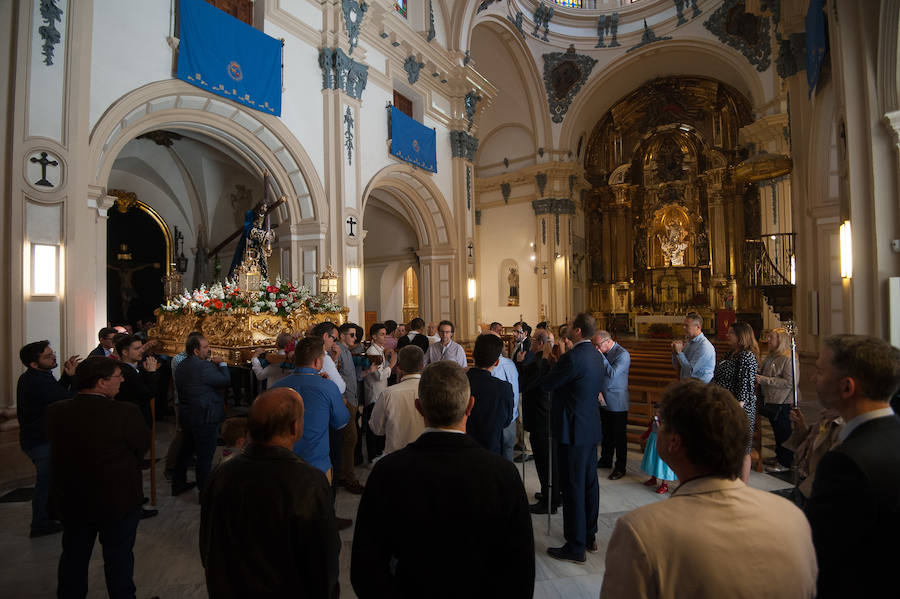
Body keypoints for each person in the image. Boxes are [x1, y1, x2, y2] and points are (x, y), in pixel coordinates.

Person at [600, 380, 817, 598]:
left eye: (660, 422)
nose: (657, 424)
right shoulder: (792, 517)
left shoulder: (640, 531)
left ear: (673, 442)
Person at [350, 361, 534, 598]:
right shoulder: (503, 473)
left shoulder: (388, 471)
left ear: (419, 407)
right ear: (470, 406)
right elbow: (521, 570)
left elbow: (366, 567)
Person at [200, 388, 340, 599]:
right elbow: (323, 562)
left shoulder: (220, 473)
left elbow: (208, 547)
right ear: (295, 427)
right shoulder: (309, 482)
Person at [46, 357, 151, 599]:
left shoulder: (55, 411)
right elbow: (141, 446)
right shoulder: (125, 411)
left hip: (72, 498)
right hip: (117, 498)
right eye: (118, 376)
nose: (122, 380)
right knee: (119, 560)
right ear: (101, 383)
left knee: (73, 558)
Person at [805, 335, 900, 599]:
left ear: (847, 387)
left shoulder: (845, 463)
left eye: (820, 370)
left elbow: (818, 553)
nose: (813, 378)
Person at [540, 312, 606, 563]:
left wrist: (546, 360)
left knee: (573, 486)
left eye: (570, 327)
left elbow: (548, 384)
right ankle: (589, 535)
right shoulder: (596, 355)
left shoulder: (574, 358)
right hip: (589, 427)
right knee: (589, 483)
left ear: (577, 331)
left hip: (572, 429)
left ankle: (576, 546)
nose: (566, 330)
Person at [16, 341, 77, 537]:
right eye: (47, 356)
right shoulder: (37, 381)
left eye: (52, 353)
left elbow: (55, 395)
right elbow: (68, 400)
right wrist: (74, 380)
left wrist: (67, 377)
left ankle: (50, 515)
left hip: (39, 437)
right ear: (34, 364)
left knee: (50, 480)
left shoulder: (38, 376)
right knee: (45, 482)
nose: (54, 357)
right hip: (40, 439)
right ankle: (40, 523)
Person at [271, 337, 350, 481]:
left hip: (281, 462)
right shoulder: (328, 386)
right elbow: (341, 422)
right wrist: (339, 401)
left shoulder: (275, 387)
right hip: (315, 464)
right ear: (317, 361)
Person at [172, 334, 231, 494]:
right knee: (204, 457)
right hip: (205, 416)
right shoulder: (204, 367)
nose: (209, 349)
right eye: (205, 347)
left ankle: (178, 484)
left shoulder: (182, 364)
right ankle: (204, 492)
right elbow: (225, 380)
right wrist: (223, 364)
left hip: (188, 416)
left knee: (185, 451)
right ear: (196, 351)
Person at [517, 330, 560, 514]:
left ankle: (549, 502)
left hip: (540, 418)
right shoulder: (550, 361)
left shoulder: (541, 364)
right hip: (546, 417)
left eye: (534, 339)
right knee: (548, 460)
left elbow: (524, 384)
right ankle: (551, 494)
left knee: (545, 462)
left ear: (541, 343)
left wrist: (519, 364)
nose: (532, 342)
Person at [711, 321, 759, 483]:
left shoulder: (746, 356)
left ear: (741, 336)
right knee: (726, 446)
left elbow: (745, 388)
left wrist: (734, 410)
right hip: (724, 406)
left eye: (731, 332)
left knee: (742, 449)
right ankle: (728, 481)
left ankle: (742, 487)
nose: (727, 334)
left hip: (738, 410)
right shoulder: (731, 353)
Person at [368, 345, 426, 455]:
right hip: (426, 457)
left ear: (399, 367)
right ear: (422, 366)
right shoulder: (432, 391)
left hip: (396, 458)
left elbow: (376, 428)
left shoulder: (388, 394)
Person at [465, 334, 514, 455]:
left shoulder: (458, 382)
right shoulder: (504, 388)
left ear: (473, 355)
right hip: (492, 450)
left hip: (463, 451)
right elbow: (507, 421)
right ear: (497, 362)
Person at [593, 330, 631, 480]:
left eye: (597, 345)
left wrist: (600, 356)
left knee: (619, 436)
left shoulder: (623, 354)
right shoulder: (602, 351)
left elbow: (613, 373)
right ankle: (606, 459)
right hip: (602, 397)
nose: (595, 348)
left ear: (607, 341)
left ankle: (620, 467)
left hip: (617, 400)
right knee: (606, 432)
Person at [756, 327, 795, 473]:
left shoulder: (788, 358)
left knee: (783, 432)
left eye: (771, 338)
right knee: (776, 431)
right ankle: (778, 456)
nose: (768, 340)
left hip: (783, 400)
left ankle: (785, 461)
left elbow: (790, 382)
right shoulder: (772, 356)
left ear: (781, 341)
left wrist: (765, 380)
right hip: (772, 399)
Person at [336, 322, 364, 494]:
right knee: (350, 439)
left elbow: (350, 375)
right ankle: (349, 478)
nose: (355, 338)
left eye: (355, 335)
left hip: (351, 398)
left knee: (349, 440)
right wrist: (343, 398)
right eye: (352, 335)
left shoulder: (346, 351)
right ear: (342, 335)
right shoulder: (338, 351)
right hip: (346, 400)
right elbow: (337, 375)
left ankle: (343, 474)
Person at [362, 322, 396, 461]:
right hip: (374, 393)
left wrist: (386, 357)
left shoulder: (379, 350)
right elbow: (379, 375)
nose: (385, 337)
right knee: (373, 425)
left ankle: (378, 451)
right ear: (374, 337)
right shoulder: (372, 352)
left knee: (380, 422)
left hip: (380, 391)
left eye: (385, 334)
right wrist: (392, 365)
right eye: (382, 334)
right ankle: (373, 454)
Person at [487, 330, 520, 461]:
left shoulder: (491, 367)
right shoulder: (510, 363)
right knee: (508, 459)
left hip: (497, 423)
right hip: (511, 419)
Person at [114, 334, 158, 429]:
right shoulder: (124, 372)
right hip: (133, 422)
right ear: (125, 352)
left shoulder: (137, 368)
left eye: (142, 348)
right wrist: (151, 373)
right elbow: (148, 393)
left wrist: (147, 372)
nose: (142, 351)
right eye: (137, 348)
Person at [639, 404, 676, 494]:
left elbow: (665, 432)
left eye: (658, 412)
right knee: (653, 460)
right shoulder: (654, 420)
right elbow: (651, 429)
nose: (655, 413)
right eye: (654, 411)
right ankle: (653, 478)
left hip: (662, 442)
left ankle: (664, 485)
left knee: (662, 464)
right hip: (653, 442)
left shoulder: (666, 423)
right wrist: (644, 436)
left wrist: (659, 424)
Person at [671, 311, 715, 382]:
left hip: (700, 387)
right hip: (688, 384)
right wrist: (675, 352)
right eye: (683, 325)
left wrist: (679, 353)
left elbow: (690, 370)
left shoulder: (704, 346)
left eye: (687, 325)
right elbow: (678, 367)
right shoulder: (689, 342)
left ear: (698, 327)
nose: (683, 328)